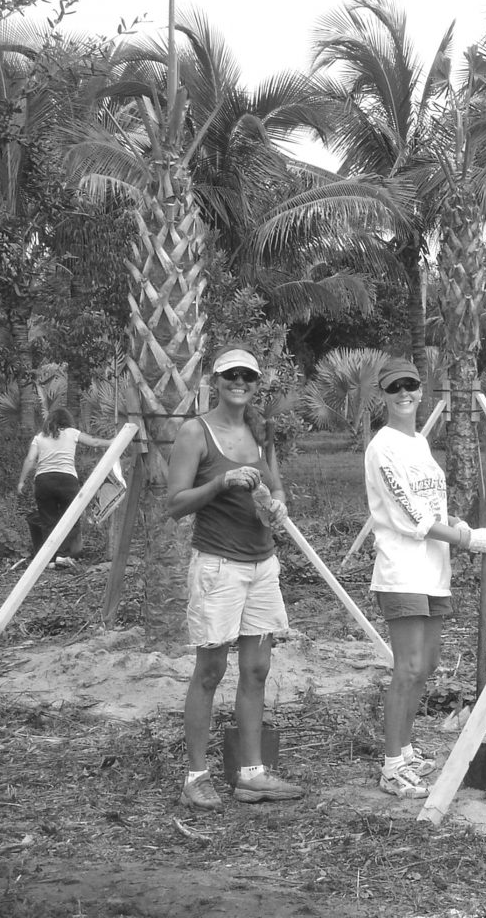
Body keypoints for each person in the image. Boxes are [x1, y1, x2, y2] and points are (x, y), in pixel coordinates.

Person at [167, 344, 304, 811]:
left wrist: (279, 502)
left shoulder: (259, 430)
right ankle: (196, 777)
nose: (239, 383)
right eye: (230, 375)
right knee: (210, 670)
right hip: (219, 567)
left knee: (257, 668)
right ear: (216, 381)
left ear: (255, 383)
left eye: (247, 376)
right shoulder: (195, 432)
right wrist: (221, 483)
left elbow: (276, 483)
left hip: (262, 566)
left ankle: (251, 775)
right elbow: (174, 503)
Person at [364, 357, 486, 799]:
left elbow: (430, 506)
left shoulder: (418, 443)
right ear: (383, 396)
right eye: (395, 388)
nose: (404, 394)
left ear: (423, 391)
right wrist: (465, 538)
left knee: (428, 665)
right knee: (407, 668)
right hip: (402, 571)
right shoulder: (382, 447)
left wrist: (455, 522)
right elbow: (409, 515)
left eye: (411, 386)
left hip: (433, 571)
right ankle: (390, 766)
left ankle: (404, 751)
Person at [17, 408, 115, 568]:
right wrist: (111, 442)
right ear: (67, 420)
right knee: (71, 518)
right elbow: (95, 442)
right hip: (67, 480)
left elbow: (29, 459)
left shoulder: (39, 437)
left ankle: (50, 559)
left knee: (48, 520)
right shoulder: (72, 432)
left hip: (44, 481)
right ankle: (62, 556)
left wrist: (21, 481)